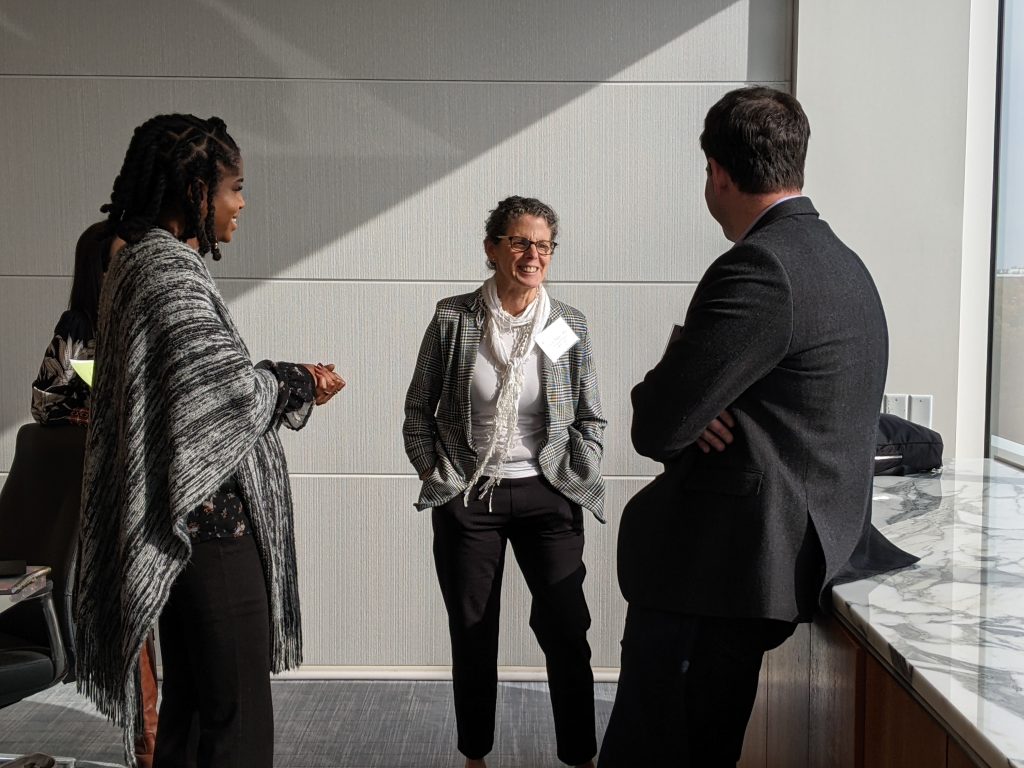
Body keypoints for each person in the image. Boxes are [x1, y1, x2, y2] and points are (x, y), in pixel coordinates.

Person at [598, 87, 918, 766]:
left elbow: (658, 425)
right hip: (790, 551)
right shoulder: (842, 262)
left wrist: (681, 368)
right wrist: (703, 398)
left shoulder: (760, 266)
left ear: (718, 173)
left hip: (722, 570)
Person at [73, 113, 345, 768]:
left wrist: (275, 378)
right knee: (237, 724)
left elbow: (191, 387)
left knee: (192, 718)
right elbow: (224, 395)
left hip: (180, 525)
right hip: (210, 529)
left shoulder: (137, 263)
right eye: (234, 188)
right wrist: (296, 379)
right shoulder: (168, 272)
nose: (241, 204)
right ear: (195, 189)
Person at [403, 196, 605, 768]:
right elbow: (418, 408)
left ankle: (580, 756)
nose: (532, 255)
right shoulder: (455, 319)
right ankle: (475, 756)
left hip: (547, 490)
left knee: (566, 628)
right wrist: (436, 472)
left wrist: (581, 465)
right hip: (471, 496)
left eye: (543, 245)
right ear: (492, 248)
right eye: (519, 242)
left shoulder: (563, 325)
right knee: (473, 633)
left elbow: (588, 415)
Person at [31, 221, 162, 767]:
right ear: (98, 270)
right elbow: (46, 402)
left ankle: (165, 737)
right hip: (112, 495)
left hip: (160, 487)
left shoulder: (153, 319)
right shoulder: (81, 327)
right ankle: (148, 741)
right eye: (118, 262)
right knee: (135, 622)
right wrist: (102, 410)